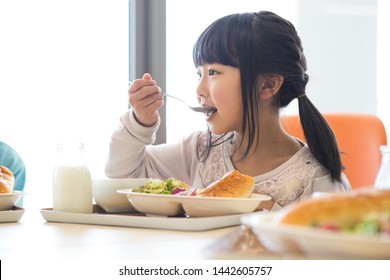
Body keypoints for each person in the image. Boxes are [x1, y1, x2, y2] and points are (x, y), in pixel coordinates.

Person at [105, 11, 351, 211]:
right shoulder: (201, 151)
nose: (199, 90)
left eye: (213, 73)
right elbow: (123, 176)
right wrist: (140, 122)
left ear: (267, 84)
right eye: (198, 73)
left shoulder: (317, 180)